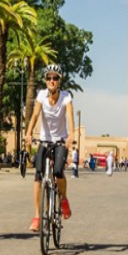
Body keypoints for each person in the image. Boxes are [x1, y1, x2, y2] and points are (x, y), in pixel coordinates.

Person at [24, 64, 76, 232]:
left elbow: (69, 116)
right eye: (48, 78)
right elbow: (35, 114)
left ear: (59, 81)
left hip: (60, 141)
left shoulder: (66, 97)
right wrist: (29, 132)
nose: (51, 81)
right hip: (45, 141)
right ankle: (37, 216)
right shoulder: (41, 95)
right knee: (38, 176)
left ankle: (64, 200)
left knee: (59, 172)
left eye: (55, 78)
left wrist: (72, 134)